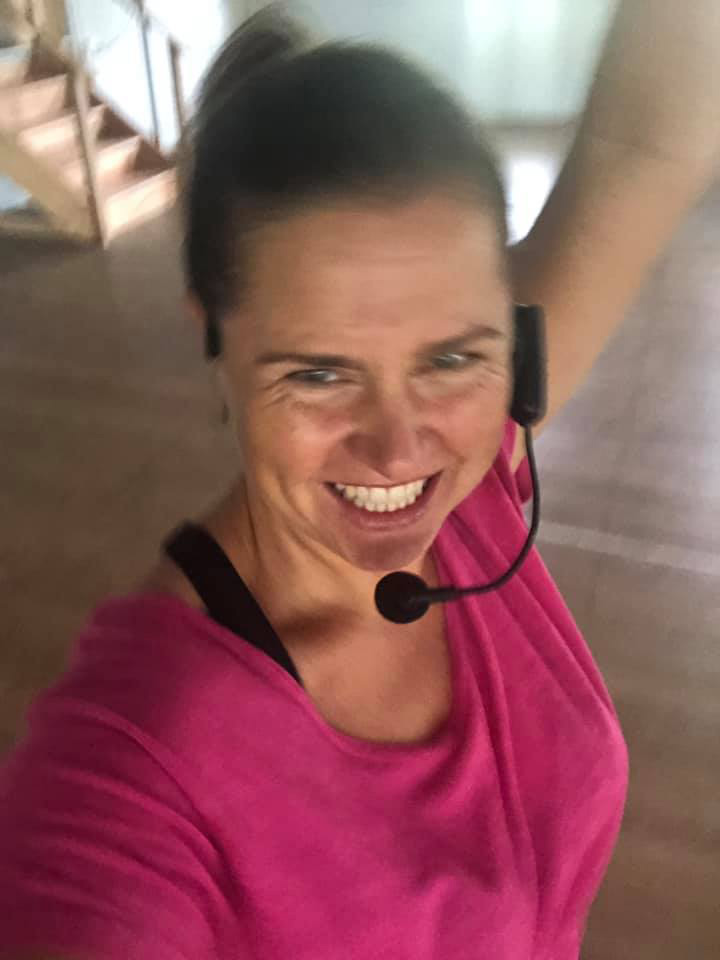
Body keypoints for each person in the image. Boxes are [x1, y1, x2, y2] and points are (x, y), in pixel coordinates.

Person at [0, 2, 717, 958]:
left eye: (451, 358)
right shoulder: (135, 764)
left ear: (509, 338)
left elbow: (646, 139)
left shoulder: (475, 482)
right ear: (212, 335)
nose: (397, 450)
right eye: (319, 373)